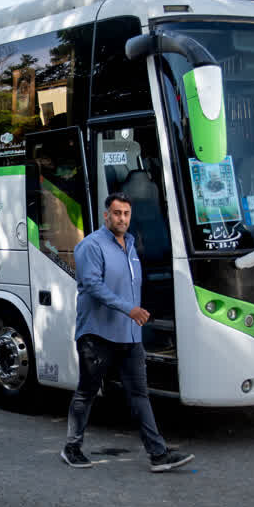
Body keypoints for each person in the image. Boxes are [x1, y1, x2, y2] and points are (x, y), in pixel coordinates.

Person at [60, 193, 194, 472]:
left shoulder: (131, 244)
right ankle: (71, 447)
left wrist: (134, 315)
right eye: (117, 213)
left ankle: (158, 455)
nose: (122, 219)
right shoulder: (91, 246)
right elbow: (93, 286)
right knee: (87, 392)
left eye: (126, 214)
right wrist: (129, 309)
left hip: (130, 336)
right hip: (97, 336)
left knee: (139, 395)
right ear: (106, 215)